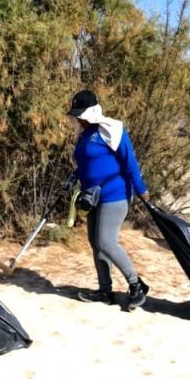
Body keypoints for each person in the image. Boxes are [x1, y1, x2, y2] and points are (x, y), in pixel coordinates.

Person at [67, 89, 151, 309]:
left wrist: (142, 190)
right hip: (91, 197)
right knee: (96, 244)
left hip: (114, 195)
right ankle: (105, 291)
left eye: (81, 114)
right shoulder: (84, 135)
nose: (78, 118)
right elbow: (87, 163)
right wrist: (74, 176)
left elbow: (130, 162)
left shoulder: (111, 130)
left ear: (92, 111)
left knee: (106, 242)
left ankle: (136, 286)